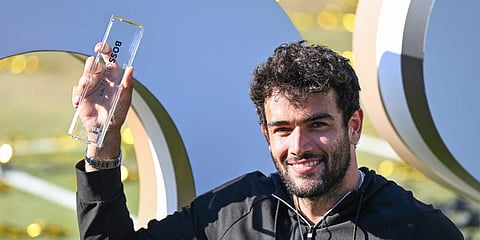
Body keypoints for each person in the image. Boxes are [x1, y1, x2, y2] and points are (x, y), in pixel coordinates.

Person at [73, 40, 463, 239]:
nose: (299, 146)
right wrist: (101, 138)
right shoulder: (234, 211)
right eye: (283, 129)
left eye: (317, 125)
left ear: (354, 126)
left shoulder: (421, 230)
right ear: (266, 135)